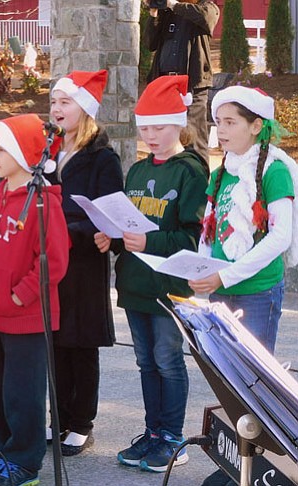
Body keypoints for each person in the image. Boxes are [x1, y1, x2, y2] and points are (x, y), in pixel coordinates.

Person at [94, 75, 209, 472]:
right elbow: (131, 224)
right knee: (146, 362)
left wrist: (152, 243)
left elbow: (195, 238)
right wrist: (113, 237)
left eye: (159, 126)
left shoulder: (192, 171)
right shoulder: (138, 171)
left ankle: (174, 438)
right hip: (135, 282)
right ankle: (153, 434)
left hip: (169, 286)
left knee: (168, 361)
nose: (151, 134)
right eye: (145, 127)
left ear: (179, 123)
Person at [0, 114, 69, 485]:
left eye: (2, 149)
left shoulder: (45, 202)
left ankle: (25, 462)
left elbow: (54, 262)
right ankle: (4, 449)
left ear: (24, 153)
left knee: (21, 394)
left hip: (25, 317)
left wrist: (19, 294)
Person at [47, 70, 124, 455]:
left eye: (65, 102)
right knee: (56, 343)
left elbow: (107, 214)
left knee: (81, 345)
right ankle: (56, 418)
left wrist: (62, 224)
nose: (57, 109)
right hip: (52, 261)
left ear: (85, 108)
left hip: (83, 262)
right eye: (54, 102)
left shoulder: (101, 157)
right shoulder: (49, 151)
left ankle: (81, 422)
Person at [191, 86, 297, 351]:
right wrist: (202, 269)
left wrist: (226, 275)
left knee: (254, 378)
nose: (221, 130)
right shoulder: (220, 174)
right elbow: (209, 232)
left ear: (255, 126)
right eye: (218, 122)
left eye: (230, 122)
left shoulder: (274, 172)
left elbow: (280, 236)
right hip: (220, 290)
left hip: (258, 292)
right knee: (226, 373)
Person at [144, 0, 220, 163]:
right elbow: (150, 43)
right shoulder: (167, 14)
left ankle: (198, 183)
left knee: (194, 139)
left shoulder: (208, 7)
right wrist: (153, 14)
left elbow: (206, 18)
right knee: (165, 138)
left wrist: (173, 5)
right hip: (165, 85)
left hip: (192, 86)